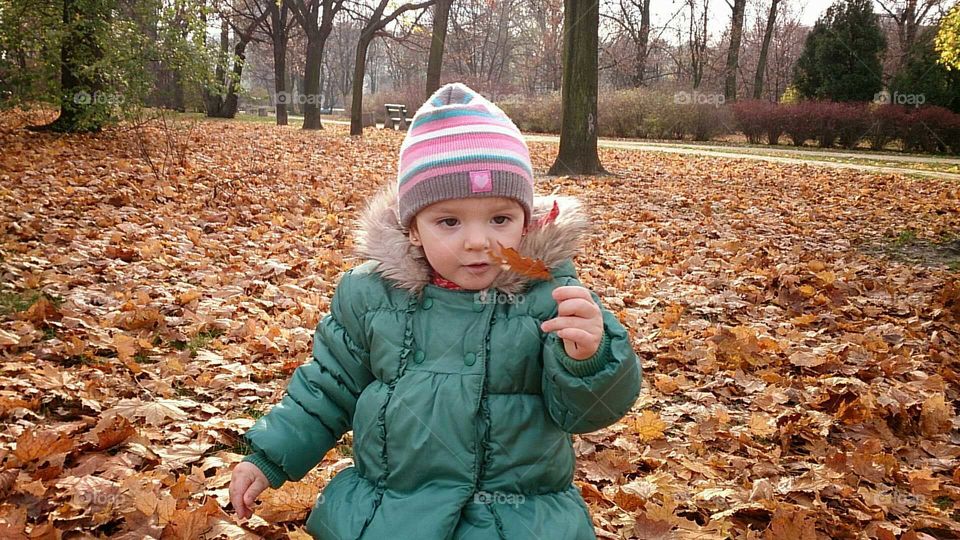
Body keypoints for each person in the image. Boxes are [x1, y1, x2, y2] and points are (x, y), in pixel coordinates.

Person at [229, 82, 642, 539]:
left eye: (500, 219)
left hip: (519, 518)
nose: (477, 241)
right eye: (448, 221)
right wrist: (268, 457)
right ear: (412, 229)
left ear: (526, 221)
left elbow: (585, 414)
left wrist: (590, 361)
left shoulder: (551, 296)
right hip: (388, 512)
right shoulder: (371, 296)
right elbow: (328, 389)